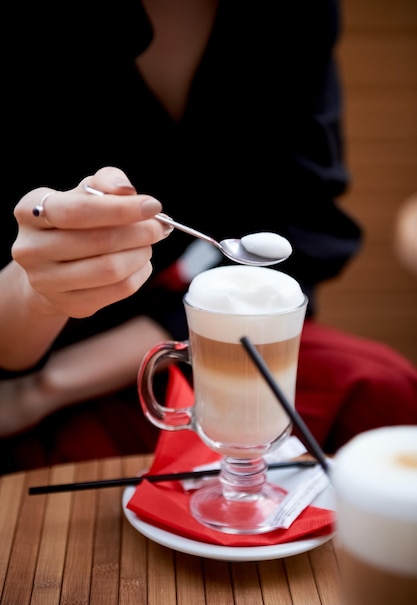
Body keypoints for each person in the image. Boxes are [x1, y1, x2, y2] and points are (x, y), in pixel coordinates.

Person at [1, 0, 416, 473]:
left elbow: (304, 226)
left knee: (385, 392)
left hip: (201, 349)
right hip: (37, 361)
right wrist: (39, 300)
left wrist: (51, 386)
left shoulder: (294, 14)